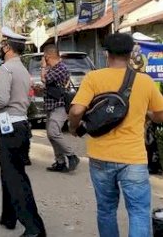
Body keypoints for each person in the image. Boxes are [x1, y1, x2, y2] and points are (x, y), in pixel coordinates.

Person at [69, 32, 163, 237]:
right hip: (133, 158)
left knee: (106, 210)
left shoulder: (93, 78)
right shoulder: (145, 81)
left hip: (101, 157)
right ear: (130, 55)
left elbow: (76, 111)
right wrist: (147, 114)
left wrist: (74, 128)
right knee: (138, 212)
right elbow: (160, 115)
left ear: (106, 54)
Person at [0, 27, 46, 237]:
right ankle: (9, 217)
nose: (0, 47)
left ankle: (34, 229)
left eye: (2, 44)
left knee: (15, 178)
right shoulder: (21, 68)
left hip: (10, 128)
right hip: (19, 126)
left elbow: (0, 99)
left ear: (7, 48)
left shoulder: (6, 69)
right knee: (8, 174)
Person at [41, 44, 80, 173]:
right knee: (51, 135)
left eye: (44, 57)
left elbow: (45, 79)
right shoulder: (54, 68)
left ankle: (71, 155)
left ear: (48, 56)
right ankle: (60, 162)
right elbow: (49, 85)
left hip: (60, 105)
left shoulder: (60, 68)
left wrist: (43, 67)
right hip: (51, 105)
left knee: (53, 132)